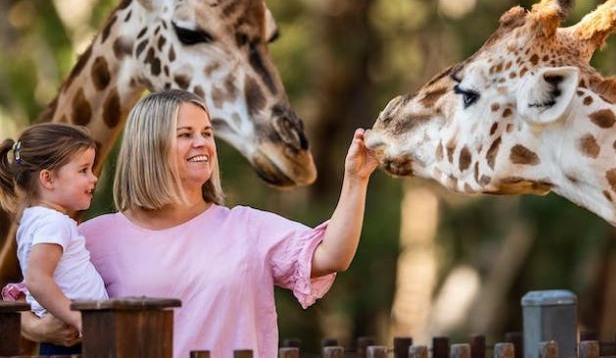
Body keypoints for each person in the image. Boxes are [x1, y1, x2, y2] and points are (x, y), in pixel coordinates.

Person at [19, 90, 378, 357]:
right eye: (186, 133)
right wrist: (39, 328)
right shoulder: (94, 238)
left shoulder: (247, 228)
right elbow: (23, 299)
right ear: (150, 146)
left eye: (206, 132)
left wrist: (356, 180)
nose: (202, 142)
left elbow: (333, 255)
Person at [0, 123, 108, 355]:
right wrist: (78, 318)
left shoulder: (35, 220)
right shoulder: (54, 224)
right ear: (48, 179)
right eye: (83, 170)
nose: (94, 178)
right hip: (73, 341)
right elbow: (37, 280)